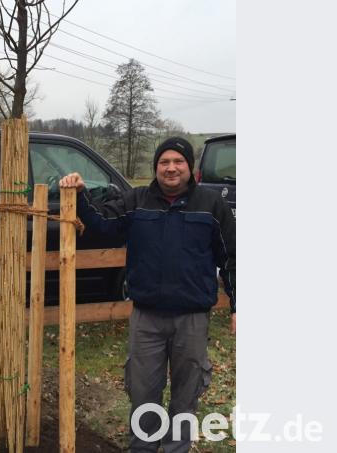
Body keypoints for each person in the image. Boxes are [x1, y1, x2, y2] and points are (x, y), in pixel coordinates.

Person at [59, 137, 235, 453]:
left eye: (178, 162)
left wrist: (239, 305)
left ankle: (177, 448)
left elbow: (232, 256)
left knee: (186, 393)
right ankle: (142, 447)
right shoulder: (136, 201)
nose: (171, 168)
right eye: (164, 162)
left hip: (192, 320)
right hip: (146, 319)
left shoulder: (212, 206)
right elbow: (101, 226)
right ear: (156, 167)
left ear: (189, 166)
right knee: (143, 392)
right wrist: (80, 194)